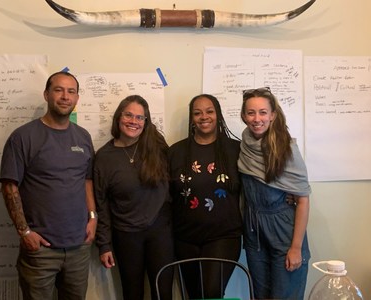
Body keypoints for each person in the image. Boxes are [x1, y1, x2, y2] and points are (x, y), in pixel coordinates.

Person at [0, 71, 97, 300]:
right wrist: (24, 231)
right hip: (40, 251)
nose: (65, 96)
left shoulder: (83, 137)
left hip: (78, 248)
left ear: (77, 99)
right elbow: (9, 186)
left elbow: (87, 180)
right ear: (46, 94)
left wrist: (93, 217)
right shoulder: (23, 137)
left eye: (71, 91)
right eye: (58, 90)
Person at [93, 95, 174, 300]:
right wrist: (104, 245)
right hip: (126, 234)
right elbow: (101, 204)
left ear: (146, 122)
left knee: (163, 292)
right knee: (132, 293)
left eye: (140, 117)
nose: (134, 121)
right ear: (119, 117)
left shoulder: (157, 147)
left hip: (160, 231)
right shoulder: (103, 157)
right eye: (129, 115)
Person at [238, 87, 311, 299]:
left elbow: (303, 200)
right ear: (243, 116)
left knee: (284, 295)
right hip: (254, 233)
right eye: (251, 112)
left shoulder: (286, 148)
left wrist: (296, 247)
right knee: (260, 295)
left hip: (284, 233)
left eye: (262, 112)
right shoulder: (244, 145)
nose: (257, 118)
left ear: (273, 115)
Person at [168, 94, 243, 298]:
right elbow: (165, 194)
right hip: (184, 238)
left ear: (218, 114)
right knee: (194, 295)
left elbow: (257, 183)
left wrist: (288, 195)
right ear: (192, 118)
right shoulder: (175, 151)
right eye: (197, 112)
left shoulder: (236, 150)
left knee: (211, 292)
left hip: (224, 236)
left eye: (209, 111)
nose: (204, 117)